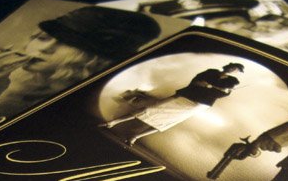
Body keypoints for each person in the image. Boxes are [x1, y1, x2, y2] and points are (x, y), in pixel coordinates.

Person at [0, 6, 161, 119]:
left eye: (65, 44)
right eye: (41, 38)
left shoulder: (95, 106)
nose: (43, 49)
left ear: (94, 58)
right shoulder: (23, 91)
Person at [102, 62, 244, 145]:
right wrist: (209, 87)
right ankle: (112, 122)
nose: (233, 69)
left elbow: (222, 94)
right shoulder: (211, 72)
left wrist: (210, 87)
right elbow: (196, 81)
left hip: (198, 104)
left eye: (236, 70)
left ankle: (134, 137)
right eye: (233, 66)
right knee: (149, 109)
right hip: (185, 95)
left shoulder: (232, 82)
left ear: (236, 73)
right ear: (228, 65)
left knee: (168, 121)